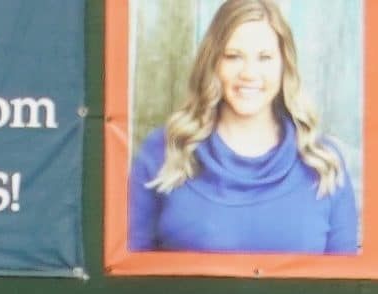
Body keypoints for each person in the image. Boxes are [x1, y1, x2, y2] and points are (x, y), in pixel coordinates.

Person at [128, 0, 358, 254]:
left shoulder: (324, 164)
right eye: (234, 56)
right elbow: (127, 270)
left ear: (284, 65)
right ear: (213, 62)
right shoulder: (163, 153)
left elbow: (345, 277)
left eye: (265, 57)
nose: (249, 73)